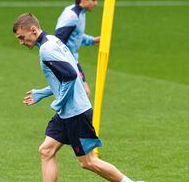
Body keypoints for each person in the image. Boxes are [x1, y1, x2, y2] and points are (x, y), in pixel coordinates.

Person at [12, 13, 135, 182]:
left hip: (75, 113)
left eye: (22, 37)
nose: (21, 42)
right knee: (46, 151)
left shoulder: (46, 50)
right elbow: (66, 77)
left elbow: (70, 76)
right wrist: (42, 93)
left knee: (88, 162)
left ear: (33, 30)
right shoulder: (53, 40)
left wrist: (59, 101)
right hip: (68, 112)